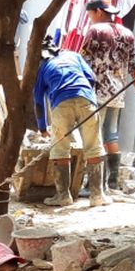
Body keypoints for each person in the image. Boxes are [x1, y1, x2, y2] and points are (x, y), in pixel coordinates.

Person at [81, 0, 135, 191]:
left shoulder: (95, 31)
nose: (90, 19)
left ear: (98, 12)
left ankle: (94, 184)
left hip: (96, 92)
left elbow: (83, 61)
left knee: (95, 137)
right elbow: (134, 66)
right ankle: (112, 182)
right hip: (118, 93)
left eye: (90, 14)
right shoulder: (127, 33)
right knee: (111, 136)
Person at [33, 41, 105, 207]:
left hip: (61, 103)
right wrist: (89, 98)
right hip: (86, 99)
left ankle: (63, 196)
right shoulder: (74, 56)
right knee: (93, 145)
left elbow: (38, 101)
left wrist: (42, 127)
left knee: (60, 148)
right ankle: (97, 196)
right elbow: (91, 78)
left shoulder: (43, 68)